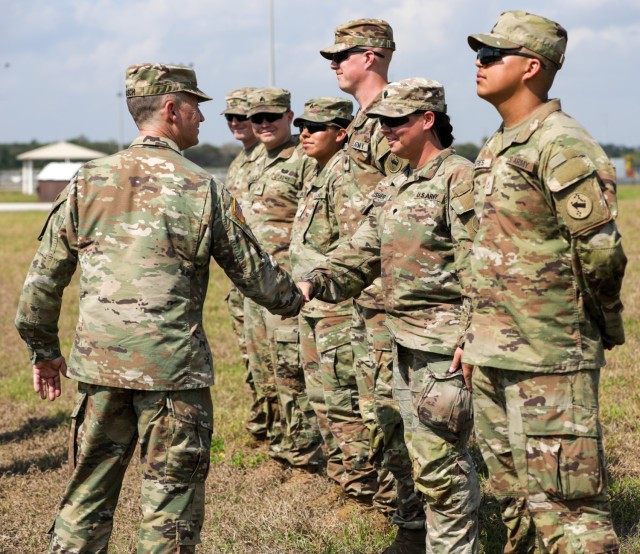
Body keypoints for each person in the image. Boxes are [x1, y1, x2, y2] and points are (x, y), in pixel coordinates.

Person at [14, 63, 305, 553]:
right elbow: (260, 281)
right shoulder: (202, 187)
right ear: (171, 110)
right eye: (196, 108)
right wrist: (302, 294)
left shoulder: (88, 180)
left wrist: (43, 351)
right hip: (173, 375)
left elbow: (41, 283)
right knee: (170, 510)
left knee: (86, 495)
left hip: (101, 370)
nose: (203, 120)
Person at [462, 11, 626, 553]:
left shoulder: (561, 143)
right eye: (479, 55)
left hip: (549, 355)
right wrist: (473, 335)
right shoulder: (497, 143)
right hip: (493, 352)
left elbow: (600, 251)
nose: (479, 64)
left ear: (531, 67)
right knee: (516, 505)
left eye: (491, 55)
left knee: (567, 507)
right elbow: (487, 251)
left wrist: (584, 324)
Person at [299, 77, 481, 554]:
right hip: (402, 344)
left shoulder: (459, 178)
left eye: (396, 121)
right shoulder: (394, 186)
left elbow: (480, 265)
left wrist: (474, 335)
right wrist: (308, 283)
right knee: (424, 461)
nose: (385, 131)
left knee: (442, 466)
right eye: (380, 122)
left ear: (428, 121)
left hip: (444, 350)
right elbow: (359, 254)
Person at [320, 18, 426, 550]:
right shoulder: (363, 123)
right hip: (365, 293)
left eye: (342, 55)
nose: (335, 65)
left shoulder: (392, 121)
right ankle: (400, 510)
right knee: (375, 409)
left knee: (396, 411)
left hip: (393, 297)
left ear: (374, 55)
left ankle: (416, 524)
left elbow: (413, 208)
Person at [289, 96, 380, 503]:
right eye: (303, 126)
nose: (305, 133)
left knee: (344, 401)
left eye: (317, 126)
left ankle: (364, 489)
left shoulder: (346, 175)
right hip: (314, 306)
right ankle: (343, 476)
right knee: (322, 398)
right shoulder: (318, 170)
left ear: (342, 133)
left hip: (337, 309)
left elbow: (355, 246)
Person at [243, 86, 324, 470]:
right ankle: (280, 442)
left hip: (287, 285)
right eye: (256, 119)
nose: (263, 125)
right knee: (264, 370)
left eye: (271, 117)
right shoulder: (254, 159)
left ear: (289, 117)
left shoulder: (303, 159)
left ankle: (306, 455)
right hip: (254, 287)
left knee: (292, 371)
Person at [220, 86, 269, 442]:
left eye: (245, 117)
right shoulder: (240, 161)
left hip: (270, 275)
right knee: (252, 358)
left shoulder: (282, 156)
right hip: (242, 278)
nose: (237, 123)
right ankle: (264, 422)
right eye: (231, 117)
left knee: (278, 363)